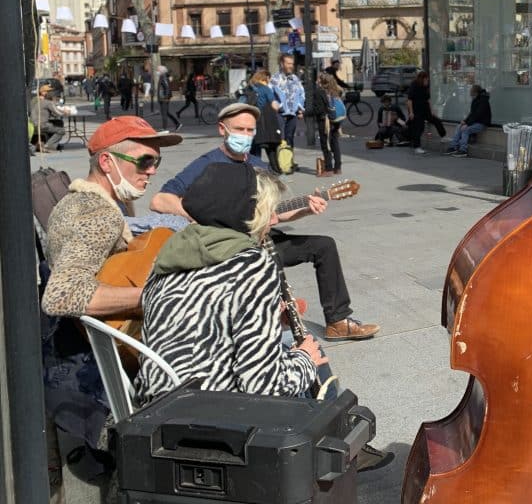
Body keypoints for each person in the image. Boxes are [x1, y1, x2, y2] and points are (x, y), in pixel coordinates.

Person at [149, 103, 379, 341]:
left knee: (324, 246)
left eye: (250, 131)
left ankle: (338, 321)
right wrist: (203, 215)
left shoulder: (260, 166)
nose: (246, 136)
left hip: (262, 239)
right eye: (239, 129)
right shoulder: (206, 165)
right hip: (226, 250)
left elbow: (276, 213)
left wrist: (307, 209)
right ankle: (270, 324)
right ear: (222, 129)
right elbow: (159, 200)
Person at [40, 117, 182, 454]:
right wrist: (153, 296)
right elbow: (62, 295)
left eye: (156, 161)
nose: (152, 171)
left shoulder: (80, 202)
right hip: (92, 374)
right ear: (107, 162)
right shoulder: (98, 215)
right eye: (144, 160)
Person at [135, 164, 323, 404]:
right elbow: (263, 385)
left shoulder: (170, 251)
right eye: (268, 211)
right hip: (215, 413)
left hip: (158, 406)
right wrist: (306, 360)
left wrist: (267, 319)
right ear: (245, 212)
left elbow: (202, 322)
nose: (274, 219)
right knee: (312, 355)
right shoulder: (250, 263)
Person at [248, 70, 283, 173]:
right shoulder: (266, 89)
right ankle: (276, 168)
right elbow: (274, 105)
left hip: (254, 120)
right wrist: (280, 107)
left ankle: (253, 168)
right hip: (267, 122)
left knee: (255, 147)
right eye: (269, 78)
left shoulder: (252, 87)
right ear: (266, 77)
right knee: (271, 146)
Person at [444, 84, 491, 157]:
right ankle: (453, 147)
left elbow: (477, 115)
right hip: (475, 121)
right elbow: (472, 113)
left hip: (482, 123)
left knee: (465, 130)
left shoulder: (483, 101)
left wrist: (467, 124)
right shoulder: (476, 99)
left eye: (472, 95)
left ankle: (463, 150)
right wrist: (465, 121)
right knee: (459, 126)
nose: (472, 97)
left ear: (476, 93)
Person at [406, 70, 445, 155]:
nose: (427, 81)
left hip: (425, 110)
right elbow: (409, 100)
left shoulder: (425, 87)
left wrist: (431, 111)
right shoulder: (414, 85)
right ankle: (417, 147)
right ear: (422, 79)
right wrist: (411, 112)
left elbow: (428, 100)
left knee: (437, 120)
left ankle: (443, 136)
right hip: (417, 111)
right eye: (426, 80)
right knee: (419, 128)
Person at [271, 54, 305, 150]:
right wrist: (278, 106)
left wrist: (300, 109)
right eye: (288, 63)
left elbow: (301, 94)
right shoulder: (275, 79)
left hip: (293, 113)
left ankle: (288, 161)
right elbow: (270, 95)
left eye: (292, 64)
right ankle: (279, 162)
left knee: (290, 138)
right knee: (279, 138)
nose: (291, 66)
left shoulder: (295, 78)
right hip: (280, 113)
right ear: (282, 64)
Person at [312, 72, 342, 176]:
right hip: (336, 120)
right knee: (335, 143)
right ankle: (338, 168)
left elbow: (318, 109)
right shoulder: (335, 90)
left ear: (321, 81)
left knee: (326, 145)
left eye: (318, 79)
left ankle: (328, 169)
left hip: (325, 121)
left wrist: (308, 113)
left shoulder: (319, 92)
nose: (316, 81)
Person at [30, 84, 71, 153]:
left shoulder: (40, 100)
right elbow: (58, 112)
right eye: (48, 91)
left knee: (58, 123)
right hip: (41, 124)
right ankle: (49, 147)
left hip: (34, 123)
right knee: (61, 130)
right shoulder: (46, 102)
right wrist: (65, 112)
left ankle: (53, 144)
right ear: (43, 92)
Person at [155, 65, 182, 131]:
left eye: (158, 70)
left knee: (164, 113)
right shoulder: (162, 76)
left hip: (164, 98)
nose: (157, 71)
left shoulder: (163, 77)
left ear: (161, 71)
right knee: (166, 113)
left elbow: (166, 87)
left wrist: (165, 97)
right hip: (163, 98)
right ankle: (177, 124)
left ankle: (164, 128)